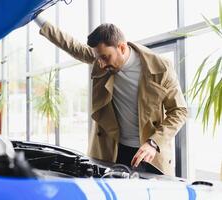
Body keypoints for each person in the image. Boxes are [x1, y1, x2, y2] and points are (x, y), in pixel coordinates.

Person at [34, 16, 188, 176]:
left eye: (105, 57)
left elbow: (179, 111)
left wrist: (154, 142)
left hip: (151, 153)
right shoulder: (102, 57)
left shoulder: (161, 67)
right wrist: (36, 17)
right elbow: (70, 44)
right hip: (113, 150)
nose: (100, 64)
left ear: (121, 48)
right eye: (98, 58)